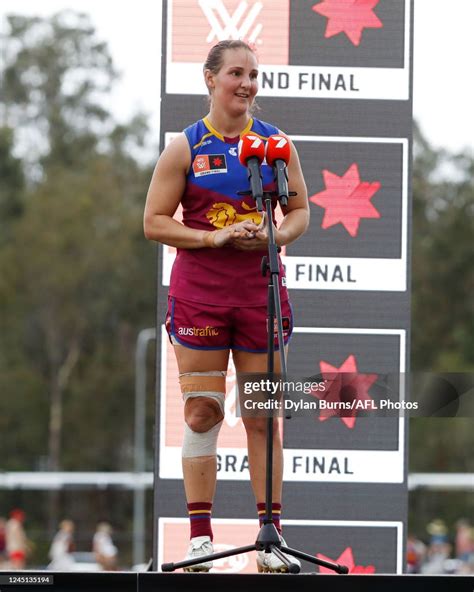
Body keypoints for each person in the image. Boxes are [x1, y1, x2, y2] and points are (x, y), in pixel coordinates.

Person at [144, 39, 309, 573]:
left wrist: (274, 233)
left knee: (263, 417)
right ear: (210, 79)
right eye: (236, 73)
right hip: (200, 296)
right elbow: (154, 222)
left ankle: (271, 540)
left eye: (254, 75)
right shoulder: (186, 146)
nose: (246, 83)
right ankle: (199, 541)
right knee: (202, 413)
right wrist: (212, 239)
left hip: (260, 292)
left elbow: (300, 209)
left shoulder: (277, 145)